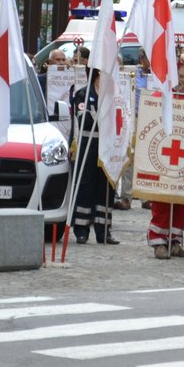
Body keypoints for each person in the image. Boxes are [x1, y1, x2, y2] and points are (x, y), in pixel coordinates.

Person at [147, 63, 184, 259]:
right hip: (163, 155)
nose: (179, 81)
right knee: (162, 200)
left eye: (183, 77)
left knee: (181, 200)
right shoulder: (159, 97)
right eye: (176, 77)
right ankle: (158, 242)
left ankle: (175, 242)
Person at [68, 71, 118, 244]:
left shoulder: (113, 95)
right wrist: (103, 116)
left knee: (105, 189)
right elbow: (85, 120)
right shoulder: (83, 94)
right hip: (89, 146)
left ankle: (104, 231)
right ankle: (81, 230)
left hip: (107, 147)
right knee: (85, 186)